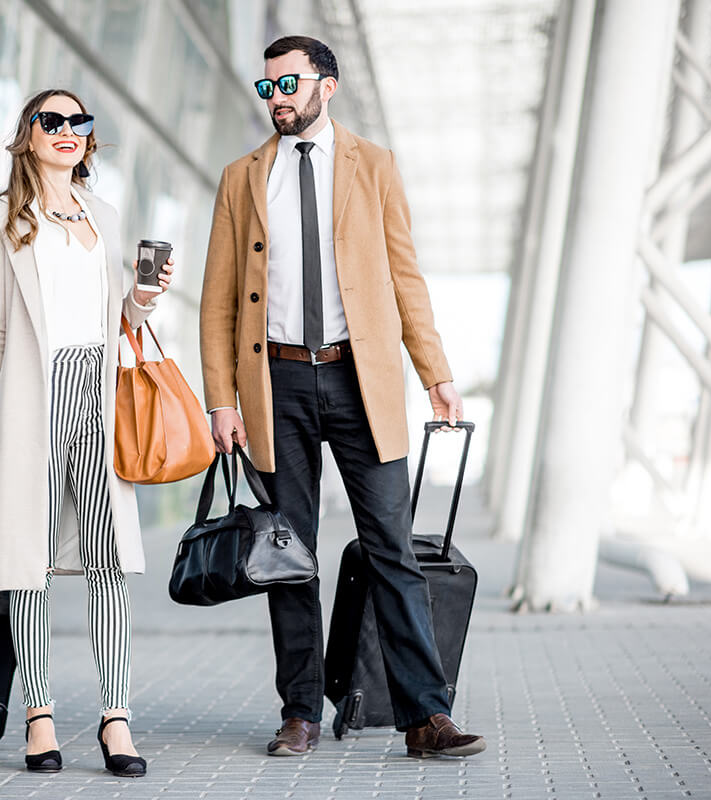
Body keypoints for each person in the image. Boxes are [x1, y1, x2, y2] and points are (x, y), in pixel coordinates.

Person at [198, 36, 486, 759]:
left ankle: (427, 715)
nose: (277, 98)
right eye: (268, 88)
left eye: (289, 83)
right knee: (290, 554)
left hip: (363, 380)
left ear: (328, 85)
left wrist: (436, 373)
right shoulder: (241, 177)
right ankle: (300, 709)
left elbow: (405, 277)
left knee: (392, 549)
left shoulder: (374, 166)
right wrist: (221, 400)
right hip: (278, 383)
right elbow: (217, 301)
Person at [0, 89, 173, 777]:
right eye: (51, 121)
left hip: (97, 396)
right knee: (30, 564)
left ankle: (117, 719)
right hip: (33, 396)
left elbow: (119, 325)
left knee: (108, 556)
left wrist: (142, 297)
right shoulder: (0, 220)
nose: (67, 131)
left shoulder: (103, 216)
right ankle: (39, 716)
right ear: (26, 135)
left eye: (79, 122)